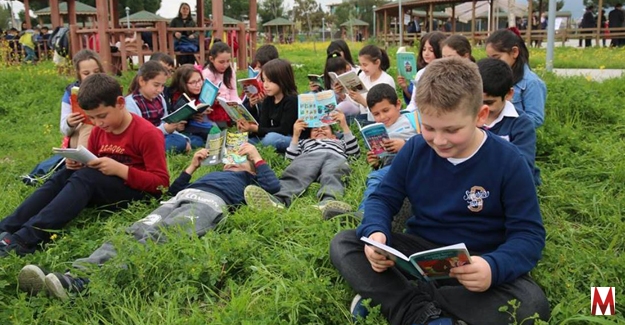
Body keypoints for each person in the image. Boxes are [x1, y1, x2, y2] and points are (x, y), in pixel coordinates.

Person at [330, 57, 550, 325]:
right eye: (430, 128)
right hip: (419, 255)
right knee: (345, 244)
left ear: (480, 116)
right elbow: (383, 197)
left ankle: (400, 302)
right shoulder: (415, 149)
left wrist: (493, 268)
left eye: (452, 130)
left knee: (531, 304)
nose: (440, 140)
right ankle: (427, 311)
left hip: (478, 260)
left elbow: (528, 235)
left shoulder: (509, 161)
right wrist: (376, 233)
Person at [16, 144, 279, 299]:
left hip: (207, 205)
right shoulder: (212, 174)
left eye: (240, 162)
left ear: (251, 170)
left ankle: (85, 285)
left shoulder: (250, 181)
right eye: (230, 162)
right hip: (175, 201)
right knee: (130, 233)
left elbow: (274, 187)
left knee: (158, 238)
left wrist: (255, 156)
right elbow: (173, 190)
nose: (233, 164)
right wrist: (192, 167)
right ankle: (72, 276)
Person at [0, 74, 170, 257]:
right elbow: (93, 162)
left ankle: (27, 238)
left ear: (120, 103)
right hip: (101, 184)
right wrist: (78, 162)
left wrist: (120, 170)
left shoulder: (147, 133)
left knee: (87, 177)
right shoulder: (98, 131)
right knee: (64, 175)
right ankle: (7, 226)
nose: (98, 123)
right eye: (92, 118)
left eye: (102, 116)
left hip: (133, 192)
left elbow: (161, 183)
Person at [244, 110, 358, 216]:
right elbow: (290, 158)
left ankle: (329, 202)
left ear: (334, 135)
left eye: (324, 128)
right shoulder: (305, 142)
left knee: (334, 173)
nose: (319, 130)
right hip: (310, 156)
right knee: (298, 171)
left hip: (335, 157)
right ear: (310, 136)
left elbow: (354, 153)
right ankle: (278, 200)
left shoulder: (340, 142)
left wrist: (344, 125)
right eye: (315, 130)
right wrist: (296, 135)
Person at [343, 84, 421, 221]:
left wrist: (405, 145)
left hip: (411, 161)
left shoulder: (412, 120)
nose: (382, 117)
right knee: (377, 177)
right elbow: (381, 159)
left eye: (386, 110)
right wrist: (375, 160)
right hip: (389, 164)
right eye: (376, 114)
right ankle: (367, 213)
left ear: (398, 104)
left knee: (376, 178)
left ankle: (364, 213)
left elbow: (427, 142)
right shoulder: (379, 129)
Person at [477, 58, 540, 186]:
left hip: (509, 183)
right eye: (477, 101)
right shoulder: (467, 118)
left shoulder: (521, 124)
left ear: (509, 94)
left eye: (489, 102)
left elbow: (524, 166)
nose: (481, 108)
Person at [237, 58, 305, 152]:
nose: (265, 85)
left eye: (270, 81)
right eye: (264, 80)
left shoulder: (291, 100)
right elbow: (264, 126)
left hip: (290, 138)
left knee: (271, 138)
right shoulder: (268, 99)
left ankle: (258, 148)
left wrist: (255, 129)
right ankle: (254, 147)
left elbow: (284, 130)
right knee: (243, 140)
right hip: (270, 136)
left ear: (282, 80)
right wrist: (249, 128)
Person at [485, 28, 547, 129]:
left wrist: (507, 121)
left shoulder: (532, 83)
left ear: (514, 52)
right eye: (489, 58)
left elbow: (536, 119)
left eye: (496, 57)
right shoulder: (493, 76)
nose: (492, 63)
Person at [125, 61, 190, 154]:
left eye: (162, 85)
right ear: (142, 81)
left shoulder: (159, 98)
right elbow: (136, 136)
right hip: (144, 142)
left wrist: (182, 137)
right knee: (178, 142)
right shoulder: (131, 103)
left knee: (187, 140)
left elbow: (165, 122)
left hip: (162, 136)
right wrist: (165, 129)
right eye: (156, 85)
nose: (160, 90)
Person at [61, 49, 104, 149]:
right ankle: (83, 159)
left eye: (96, 72)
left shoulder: (109, 86)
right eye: (86, 73)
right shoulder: (71, 93)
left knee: (93, 126)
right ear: (79, 74)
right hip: (81, 132)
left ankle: (82, 159)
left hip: (106, 129)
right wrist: (69, 123)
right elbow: (64, 130)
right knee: (87, 126)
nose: (92, 76)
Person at [342, 45, 395, 121]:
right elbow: (356, 104)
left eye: (365, 65)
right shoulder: (362, 76)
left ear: (377, 63)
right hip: (364, 116)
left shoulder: (386, 80)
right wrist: (343, 95)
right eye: (360, 64)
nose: (362, 68)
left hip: (380, 120)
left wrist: (362, 101)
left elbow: (383, 110)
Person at [169, 64, 212, 147]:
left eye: (200, 80)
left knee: (208, 133)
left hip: (196, 125)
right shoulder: (177, 98)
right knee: (203, 137)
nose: (198, 85)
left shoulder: (197, 93)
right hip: (182, 129)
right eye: (193, 82)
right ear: (183, 84)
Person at [405, 31, 447, 111]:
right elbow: (414, 102)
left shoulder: (446, 73)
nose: (426, 53)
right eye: (424, 49)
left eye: (431, 50)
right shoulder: (420, 74)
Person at [202, 42, 240, 128]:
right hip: (215, 109)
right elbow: (205, 99)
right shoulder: (207, 74)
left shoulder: (230, 71)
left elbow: (233, 92)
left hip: (229, 106)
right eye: (221, 62)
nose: (225, 65)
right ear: (211, 59)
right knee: (221, 125)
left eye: (228, 61)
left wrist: (237, 107)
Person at [243, 44, 279, 122]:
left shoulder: (276, 86)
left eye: (260, 67)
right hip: (254, 128)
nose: (256, 69)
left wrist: (264, 102)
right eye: (256, 66)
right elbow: (245, 109)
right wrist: (251, 104)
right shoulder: (254, 82)